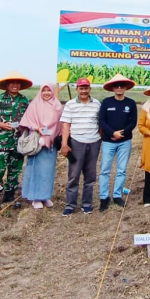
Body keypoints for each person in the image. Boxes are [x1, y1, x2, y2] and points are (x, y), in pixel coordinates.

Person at [0, 71, 31, 211]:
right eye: (12, 83)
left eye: (17, 83)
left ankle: (9, 197)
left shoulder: (24, 100)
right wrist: (1, 125)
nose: (15, 85)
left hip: (18, 142)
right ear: (7, 85)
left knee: (15, 171)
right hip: (1, 142)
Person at [60, 78, 102, 215]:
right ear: (77, 89)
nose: (83, 91)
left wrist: (99, 138)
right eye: (81, 88)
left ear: (90, 89)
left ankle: (86, 204)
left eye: (86, 88)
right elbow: (66, 125)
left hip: (94, 142)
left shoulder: (97, 104)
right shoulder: (70, 105)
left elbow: (100, 123)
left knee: (90, 175)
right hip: (77, 142)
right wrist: (64, 144)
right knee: (74, 175)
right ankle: (70, 205)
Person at [19, 82, 63, 209]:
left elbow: (61, 124)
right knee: (36, 170)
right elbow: (27, 121)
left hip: (51, 144)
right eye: (44, 91)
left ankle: (45, 196)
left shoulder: (58, 106)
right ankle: (35, 197)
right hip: (37, 143)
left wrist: (53, 136)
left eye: (49, 90)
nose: (46, 93)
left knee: (48, 171)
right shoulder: (34, 105)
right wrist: (36, 128)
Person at [98, 74, 138, 212]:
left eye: (122, 85)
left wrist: (121, 134)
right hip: (108, 141)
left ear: (126, 88)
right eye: (117, 85)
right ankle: (104, 197)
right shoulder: (106, 102)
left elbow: (133, 122)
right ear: (113, 88)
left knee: (121, 170)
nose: (119, 88)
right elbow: (101, 120)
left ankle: (117, 195)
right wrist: (112, 133)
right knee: (105, 170)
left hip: (125, 142)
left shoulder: (131, 103)